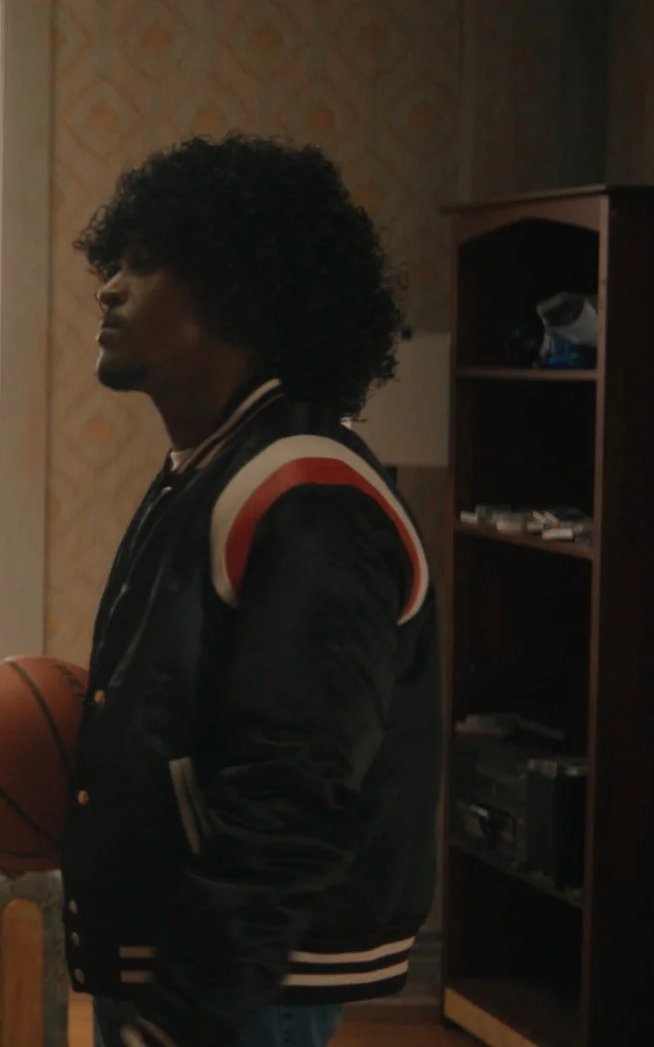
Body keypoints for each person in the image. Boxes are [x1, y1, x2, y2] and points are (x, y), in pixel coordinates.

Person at [54, 135, 442, 1047]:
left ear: (234, 290)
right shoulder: (212, 465)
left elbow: (295, 789)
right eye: (113, 261)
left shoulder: (307, 489)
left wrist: (184, 1017)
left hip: (235, 992)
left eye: (144, 264)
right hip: (188, 964)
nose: (107, 286)